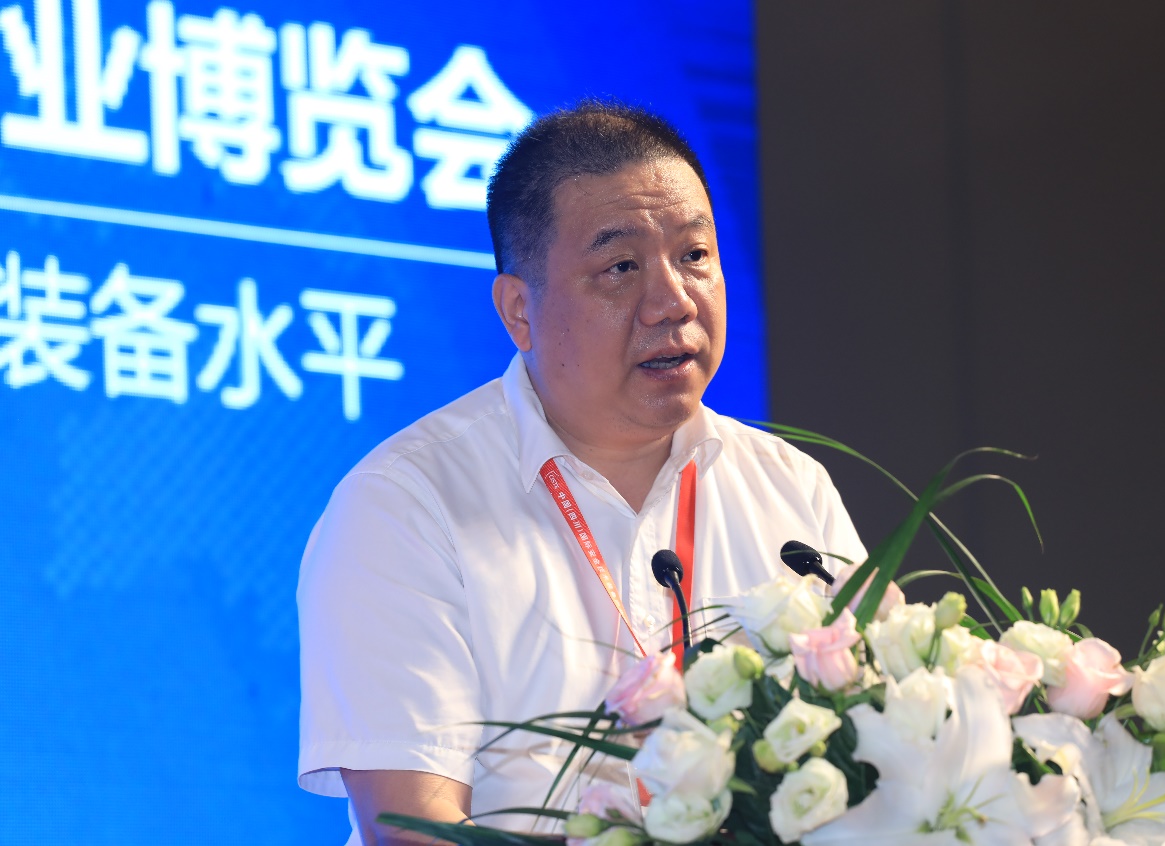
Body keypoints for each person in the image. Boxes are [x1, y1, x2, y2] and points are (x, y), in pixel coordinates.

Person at [297, 101, 868, 846]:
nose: (672, 302)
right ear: (518, 311)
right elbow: (414, 829)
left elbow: (871, 746)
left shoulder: (790, 489)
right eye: (621, 268)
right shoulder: (405, 506)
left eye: (695, 255)